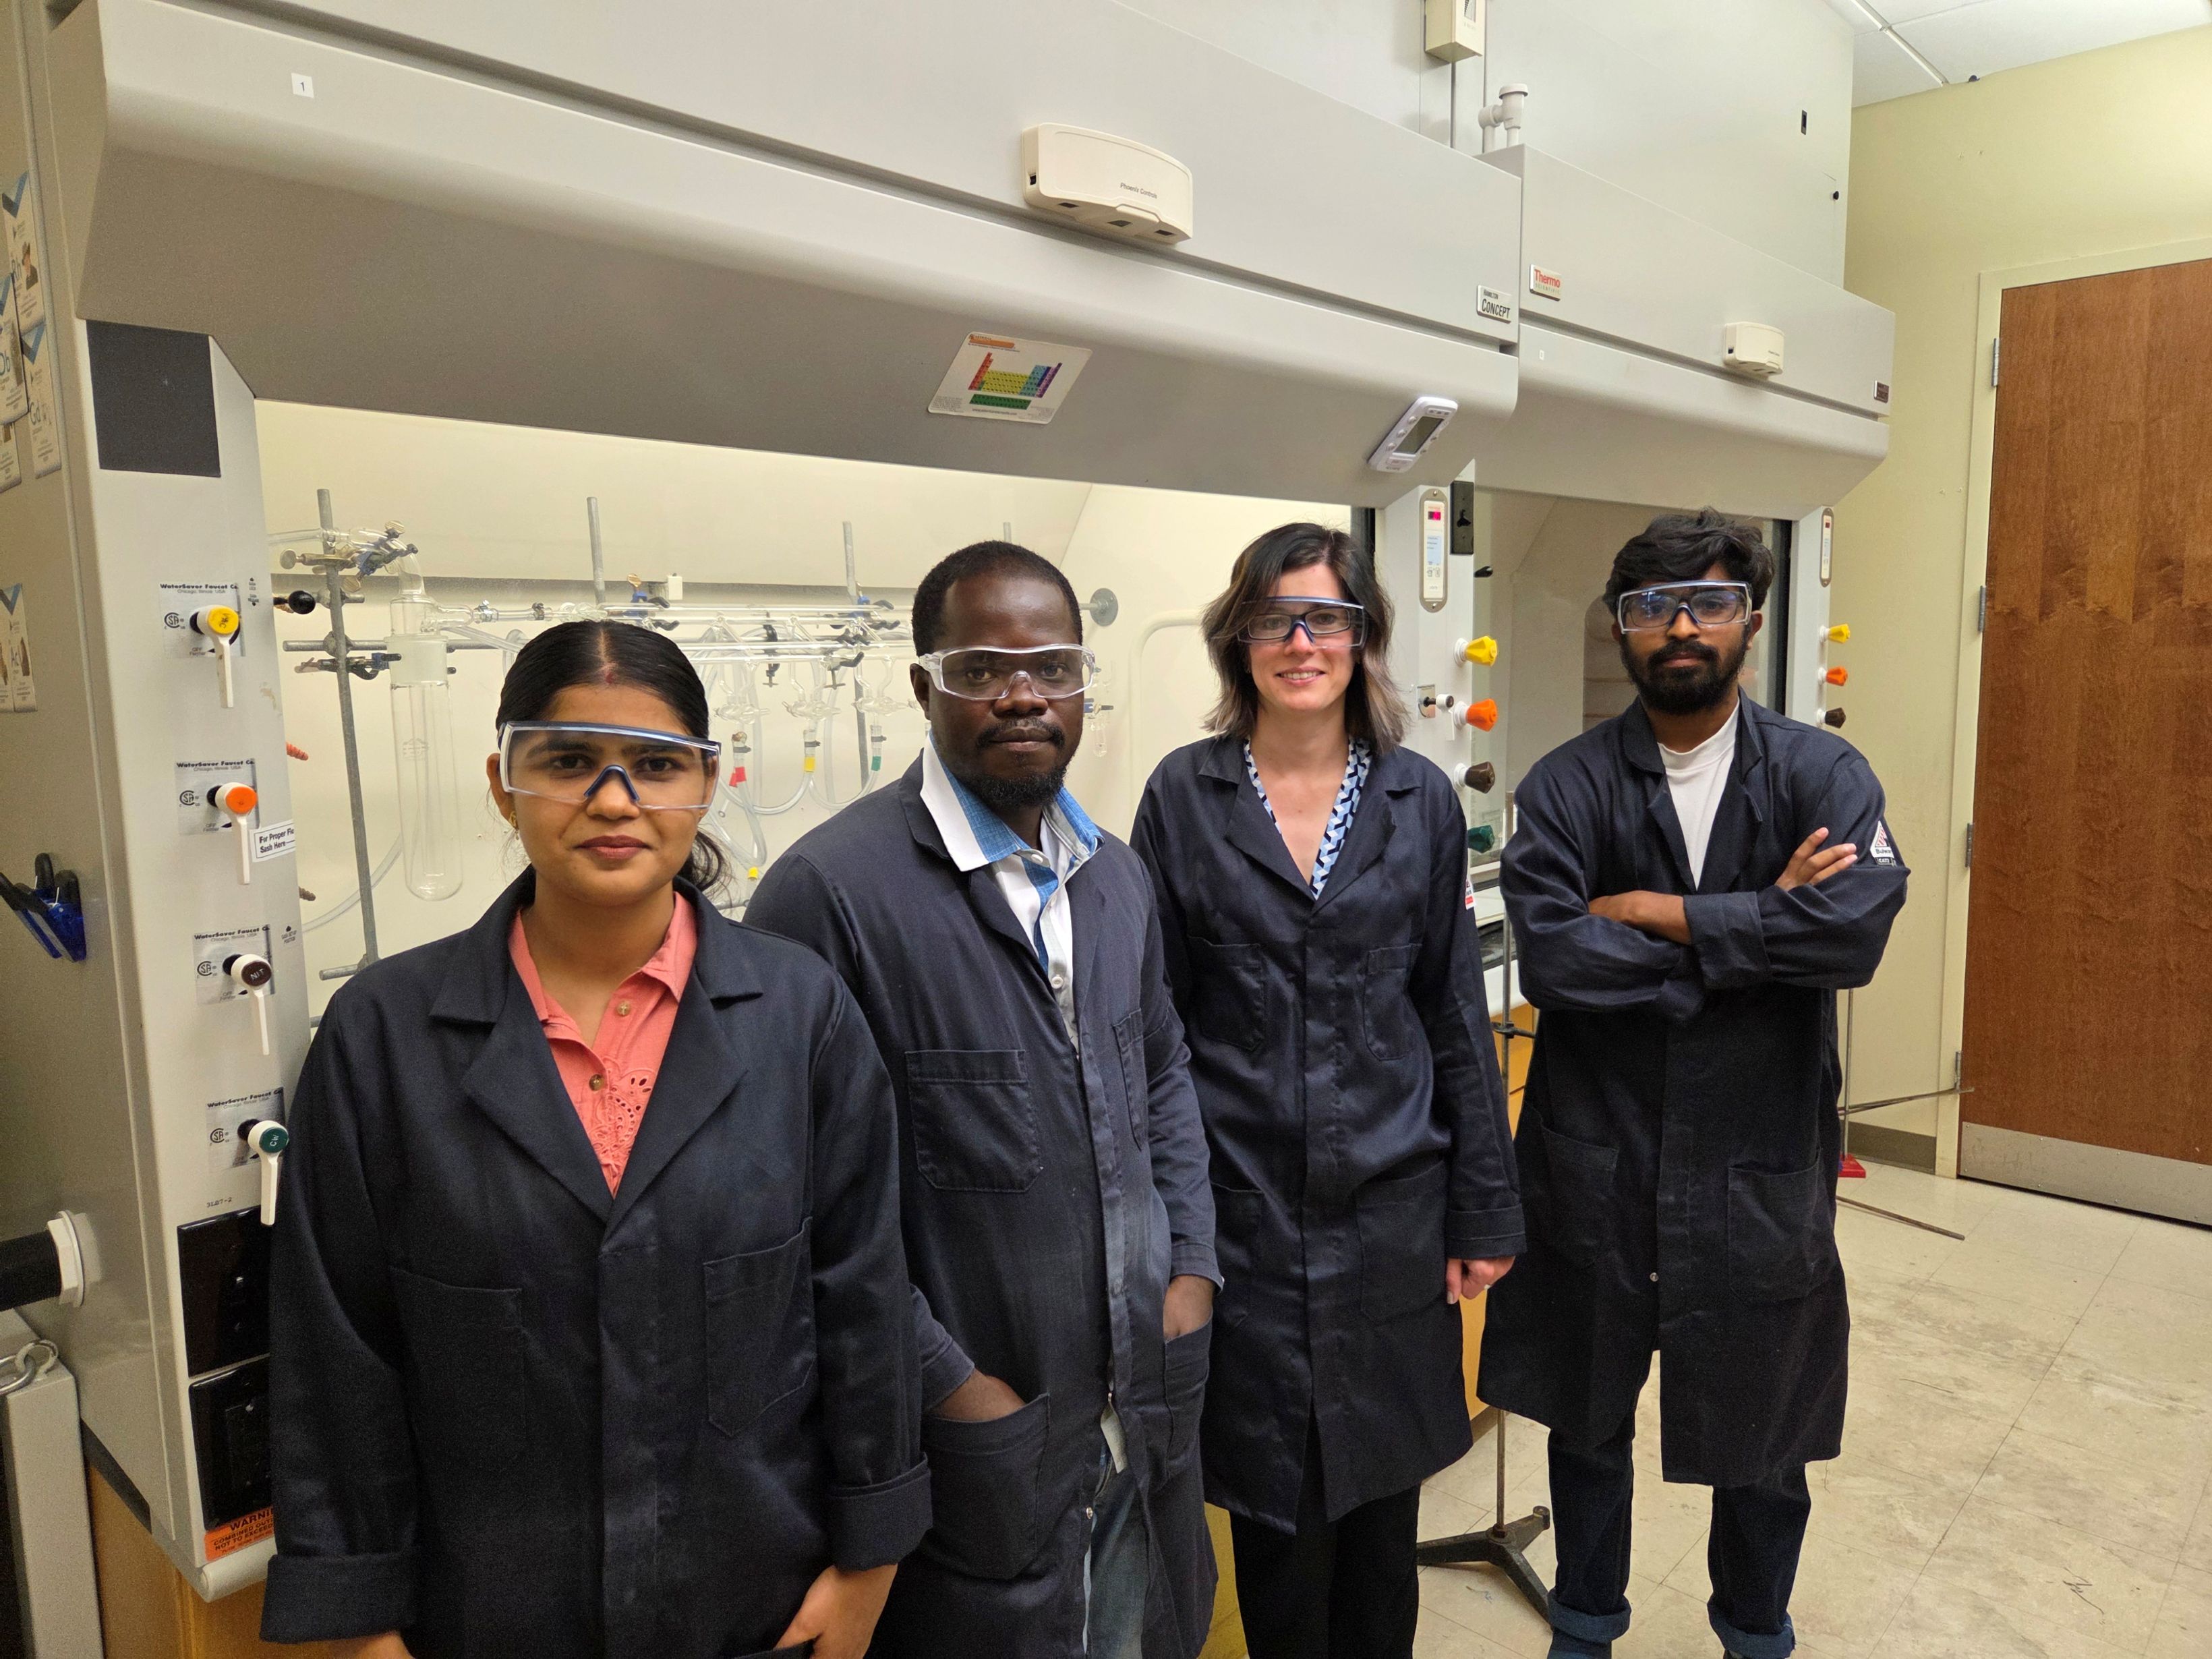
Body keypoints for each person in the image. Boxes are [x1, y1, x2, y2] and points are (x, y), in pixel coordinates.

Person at [261, 621, 928, 1659]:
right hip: (488, 1612)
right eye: (569, 762)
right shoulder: (385, 1034)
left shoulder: (802, 1013)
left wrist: (870, 1563)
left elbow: (866, 1302)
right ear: (501, 781)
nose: (613, 800)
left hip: (755, 1600)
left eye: (655, 766)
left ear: (706, 783)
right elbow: (337, 1350)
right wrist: (356, 1625)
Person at [747, 542, 1219, 1659]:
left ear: (1082, 688)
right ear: (924, 686)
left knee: (1150, 1630)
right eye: (980, 667)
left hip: (1145, 1387)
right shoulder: (830, 895)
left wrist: (1190, 1272)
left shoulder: (1114, 874)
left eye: (1051, 666)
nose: (1021, 693)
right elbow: (790, 1201)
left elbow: (1162, 1076)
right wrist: (954, 1390)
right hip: (980, 1434)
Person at [1479, 511, 1909, 1659]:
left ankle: (1755, 1633)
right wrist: (1761, 934)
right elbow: (1560, 960)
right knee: (1586, 1419)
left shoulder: (1823, 773)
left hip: (1756, 1168)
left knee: (1763, 1429)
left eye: (1707, 604)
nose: (1679, 627)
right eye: (1651, 608)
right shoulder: (1568, 786)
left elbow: (1852, 938)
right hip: (1596, 1165)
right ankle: (1584, 1626)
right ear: (1622, 630)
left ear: (1750, 626)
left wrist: (1664, 915)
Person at [1130, 523, 1524, 1659]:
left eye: (1328, 619)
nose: (1302, 641)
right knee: (1276, 1528)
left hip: (1391, 1217)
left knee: (1380, 1522)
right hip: (1242, 1219)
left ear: (1363, 640)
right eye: (1275, 619)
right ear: (1239, 639)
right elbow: (1160, 1028)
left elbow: (1453, 1009)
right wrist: (1170, 1226)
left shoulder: (1418, 801)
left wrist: (1485, 1208)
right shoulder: (1185, 799)